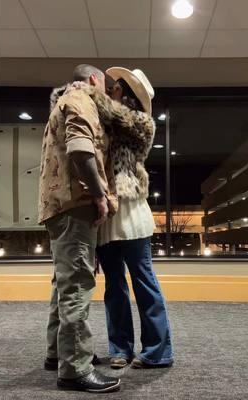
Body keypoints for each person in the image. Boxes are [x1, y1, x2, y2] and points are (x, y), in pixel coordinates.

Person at [38, 64, 120, 393]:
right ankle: (73, 369)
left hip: (59, 206)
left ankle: (58, 352)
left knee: (63, 282)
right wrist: (100, 195)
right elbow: (81, 149)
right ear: (93, 80)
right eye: (105, 86)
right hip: (74, 206)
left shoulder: (64, 101)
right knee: (77, 283)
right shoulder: (82, 98)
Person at [90, 68, 174, 369]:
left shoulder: (141, 123)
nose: (108, 91)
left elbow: (118, 117)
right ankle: (120, 348)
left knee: (144, 284)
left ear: (126, 94)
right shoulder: (104, 124)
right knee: (114, 287)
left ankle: (158, 352)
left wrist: (87, 93)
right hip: (107, 216)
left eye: (114, 89)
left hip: (133, 215)